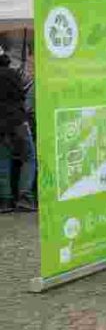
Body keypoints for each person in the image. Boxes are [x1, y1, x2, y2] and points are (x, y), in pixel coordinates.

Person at [0, 53, 36, 212]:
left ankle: (5, 201)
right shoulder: (14, 75)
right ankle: (24, 197)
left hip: (1, 125)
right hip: (18, 122)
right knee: (28, 158)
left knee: (3, 161)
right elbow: (23, 97)